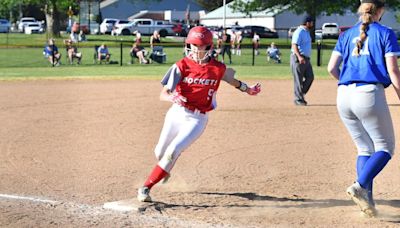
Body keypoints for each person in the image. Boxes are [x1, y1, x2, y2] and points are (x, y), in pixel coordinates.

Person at [137, 26, 261, 202]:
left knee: (173, 151)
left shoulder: (218, 68)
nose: (195, 49)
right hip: (176, 113)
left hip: (197, 118)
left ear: (209, 47)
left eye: (199, 45)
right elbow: (163, 93)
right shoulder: (181, 66)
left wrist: (248, 89)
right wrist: (174, 98)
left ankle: (145, 188)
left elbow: (232, 81)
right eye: (192, 44)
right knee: (160, 153)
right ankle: (164, 170)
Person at [327, 0, 400, 218]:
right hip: (368, 94)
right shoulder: (386, 33)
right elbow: (393, 70)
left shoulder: (346, 34)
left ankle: (367, 201)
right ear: (381, 10)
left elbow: (332, 68)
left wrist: (348, 84)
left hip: (343, 95)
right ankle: (359, 186)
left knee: (365, 149)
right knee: (386, 147)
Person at [291, 15, 315, 106]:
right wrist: (299, 57)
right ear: (307, 23)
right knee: (298, 79)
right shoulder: (299, 31)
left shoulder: (307, 32)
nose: (312, 24)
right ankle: (298, 99)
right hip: (298, 58)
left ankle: (300, 94)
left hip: (306, 59)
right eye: (311, 22)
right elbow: (294, 45)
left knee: (310, 77)